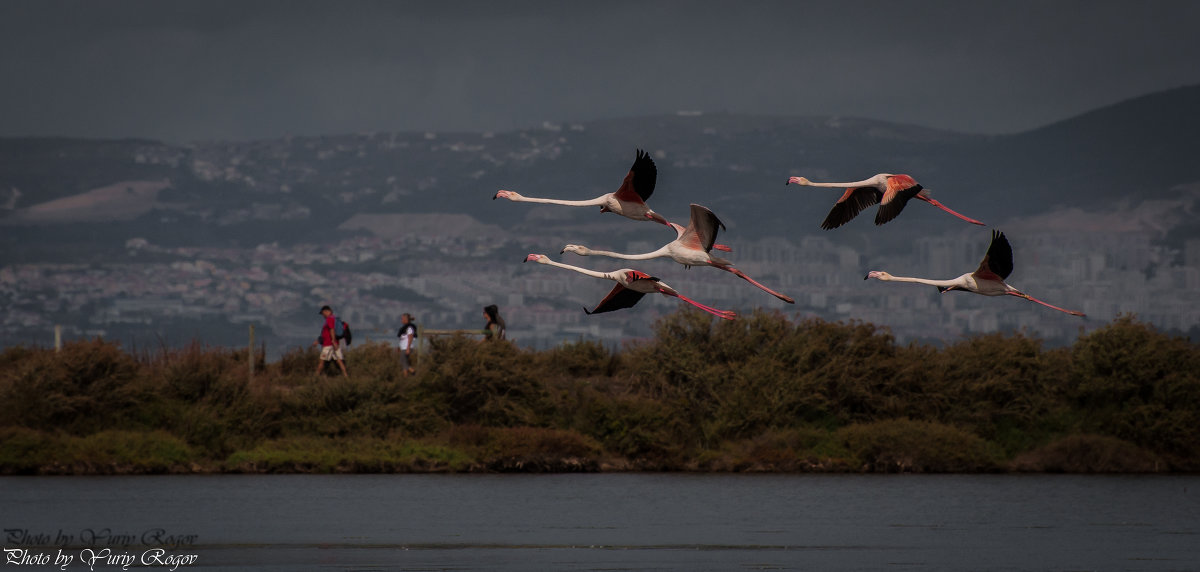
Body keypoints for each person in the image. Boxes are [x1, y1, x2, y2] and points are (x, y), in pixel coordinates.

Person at [313, 305, 349, 377]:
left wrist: (333, 341)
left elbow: (331, 330)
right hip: (335, 344)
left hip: (329, 344)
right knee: (339, 361)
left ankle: (315, 377)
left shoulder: (329, 319)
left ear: (326, 311)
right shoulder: (334, 318)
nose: (323, 315)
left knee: (322, 361)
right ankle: (346, 377)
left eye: (323, 313)